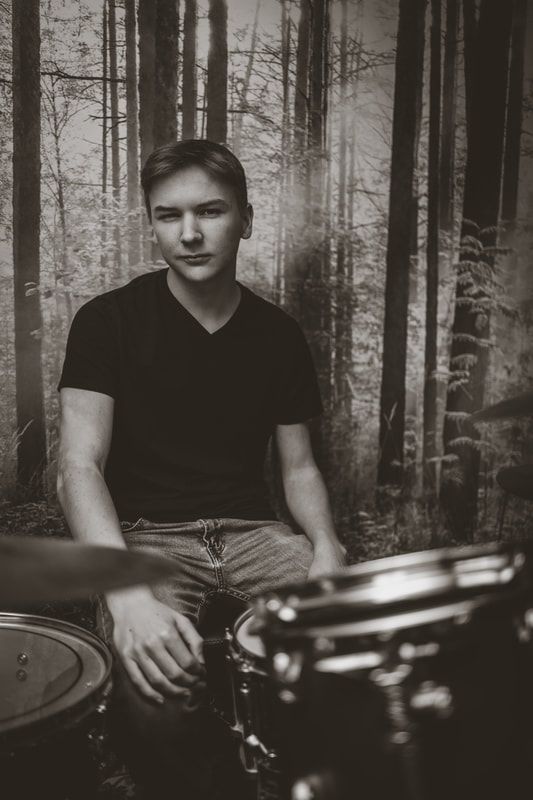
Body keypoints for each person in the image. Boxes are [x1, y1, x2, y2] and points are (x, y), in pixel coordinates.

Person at [57, 139, 346, 799]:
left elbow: (299, 469)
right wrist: (125, 594)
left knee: (342, 654)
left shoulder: (279, 335)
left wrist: (327, 547)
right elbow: (78, 466)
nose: (189, 233)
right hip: (146, 539)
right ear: (152, 224)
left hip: (255, 534)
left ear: (245, 219)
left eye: (210, 211)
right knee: (153, 689)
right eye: (169, 215)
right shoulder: (106, 322)